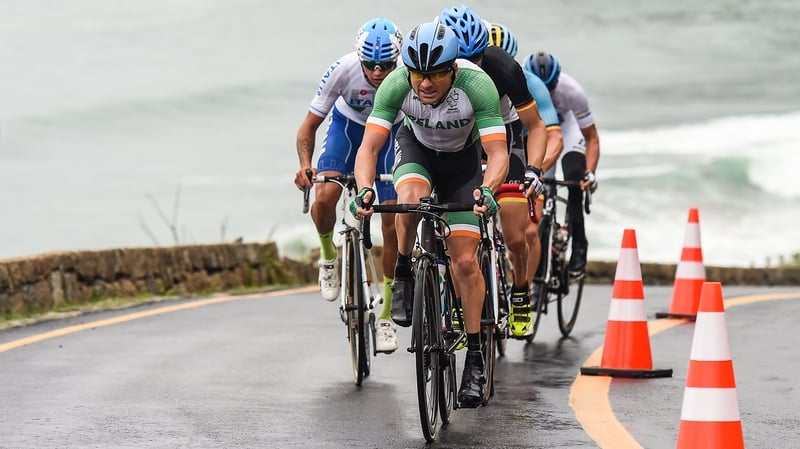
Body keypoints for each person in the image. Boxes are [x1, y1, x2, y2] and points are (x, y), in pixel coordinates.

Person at [351, 21, 508, 407]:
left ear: (453, 68)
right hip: (417, 150)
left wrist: (488, 190)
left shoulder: (477, 85)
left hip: (462, 163)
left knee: (466, 260)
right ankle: (404, 269)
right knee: (409, 199)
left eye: (435, 73)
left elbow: (498, 152)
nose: (425, 83)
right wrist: (365, 189)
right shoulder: (396, 85)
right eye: (418, 73)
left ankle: (473, 357)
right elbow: (369, 149)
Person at [440, 6, 552, 339]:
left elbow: (536, 126)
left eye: (478, 58)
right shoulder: (434, 74)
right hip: (463, 133)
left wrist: (533, 170)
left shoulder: (504, 68)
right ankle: (455, 302)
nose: (474, 68)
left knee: (517, 234)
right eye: (464, 60)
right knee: (448, 228)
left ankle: (520, 293)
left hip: (505, 130)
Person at [293, 17, 403, 353]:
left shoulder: (405, 77)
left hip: (389, 135)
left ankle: (385, 315)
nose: (378, 72)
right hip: (349, 130)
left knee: (393, 223)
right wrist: (305, 167)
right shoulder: (343, 69)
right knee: (325, 197)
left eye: (386, 65)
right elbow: (307, 128)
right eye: (371, 65)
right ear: (360, 59)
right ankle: (328, 257)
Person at [484, 21, 565, 336]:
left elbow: (552, 135)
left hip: (519, 144)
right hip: (483, 143)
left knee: (523, 236)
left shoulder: (527, 81)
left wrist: (536, 169)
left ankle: (521, 292)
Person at [524, 51, 600, 279]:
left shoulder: (572, 90)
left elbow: (591, 137)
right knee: (539, 190)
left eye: (551, 87)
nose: (546, 92)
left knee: (575, 179)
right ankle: (537, 273)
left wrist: (590, 172)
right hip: (542, 134)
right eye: (542, 87)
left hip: (568, 132)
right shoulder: (525, 87)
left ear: (558, 80)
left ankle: (579, 246)